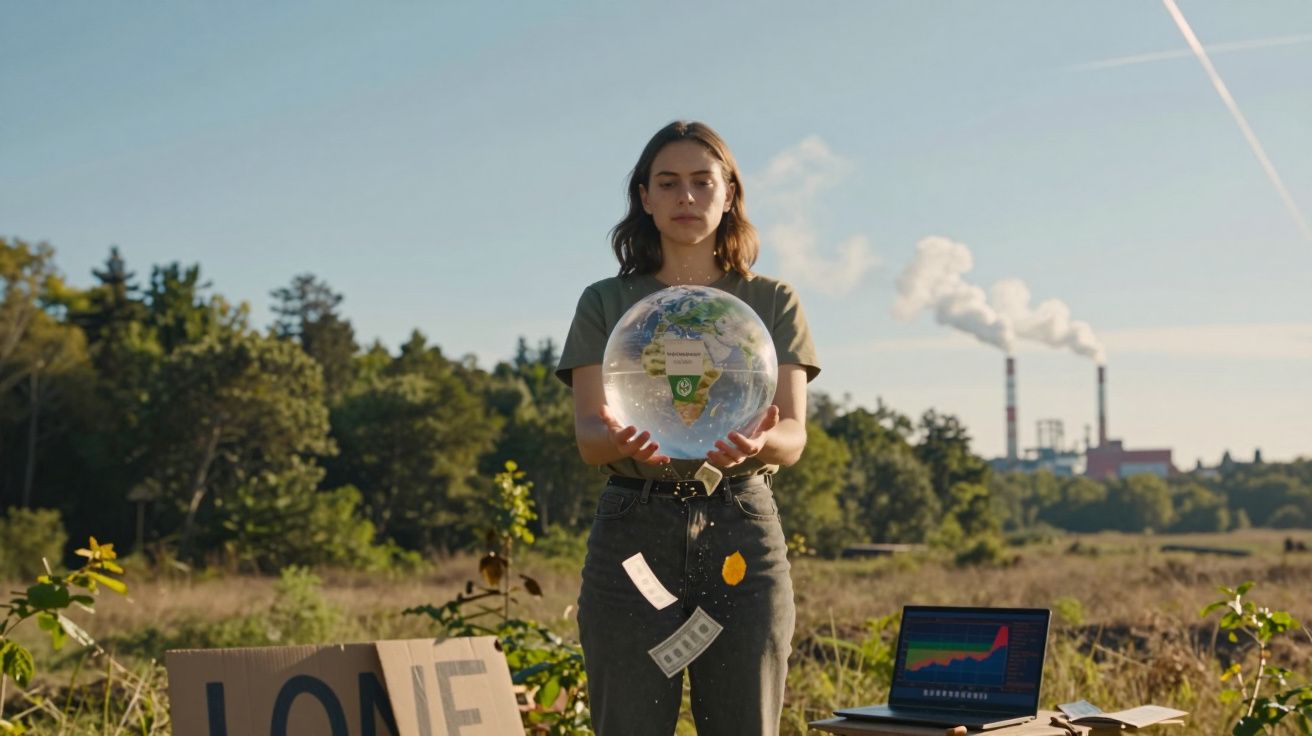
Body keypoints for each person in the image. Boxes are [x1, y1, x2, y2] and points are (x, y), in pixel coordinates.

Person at [555, 120, 820, 735]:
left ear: (729, 194)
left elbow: (793, 435)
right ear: (644, 197)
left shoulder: (772, 301)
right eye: (668, 183)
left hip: (740, 532)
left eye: (703, 182)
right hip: (635, 538)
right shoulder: (604, 302)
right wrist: (619, 439)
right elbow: (591, 439)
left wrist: (758, 443)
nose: (686, 197)